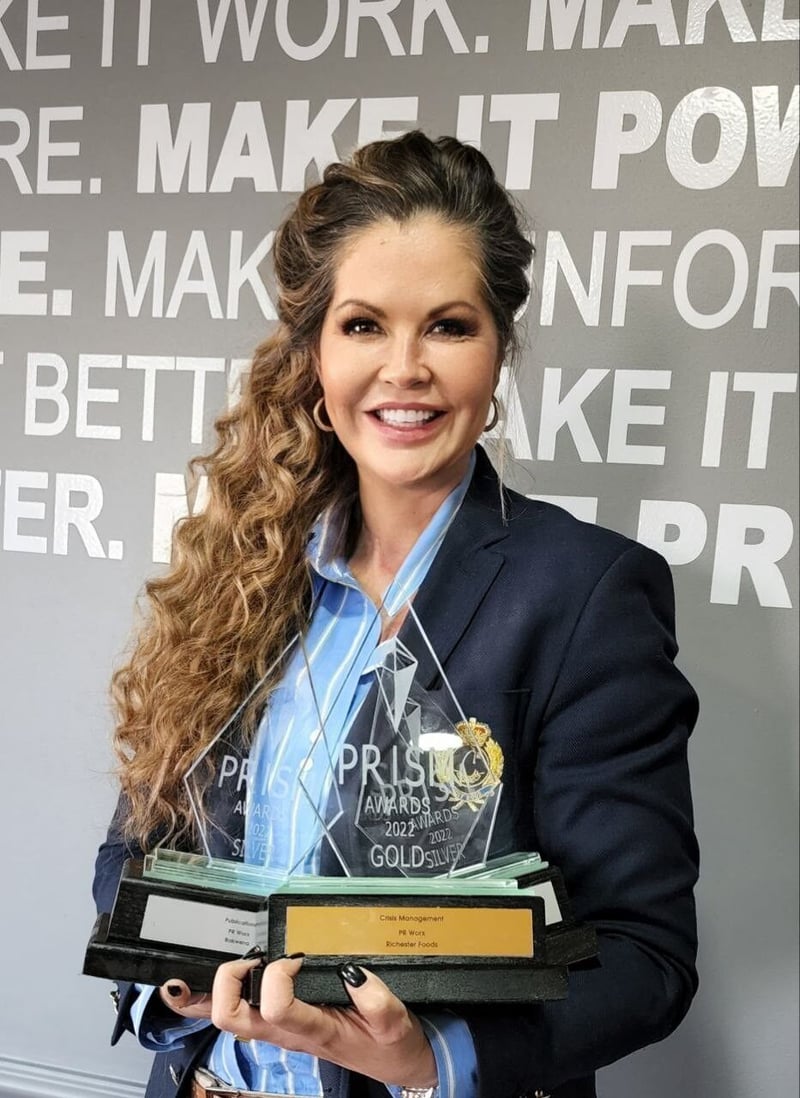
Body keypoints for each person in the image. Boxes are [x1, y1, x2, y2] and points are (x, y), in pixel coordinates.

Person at [93, 131, 699, 1098]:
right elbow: (133, 853)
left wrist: (430, 1057)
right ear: (315, 354)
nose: (405, 367)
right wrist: (173, 988)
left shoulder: (586, 592)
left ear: (498, 351)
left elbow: (643, 951)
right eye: (364, 325)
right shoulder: (237, 573)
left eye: (448, 327)